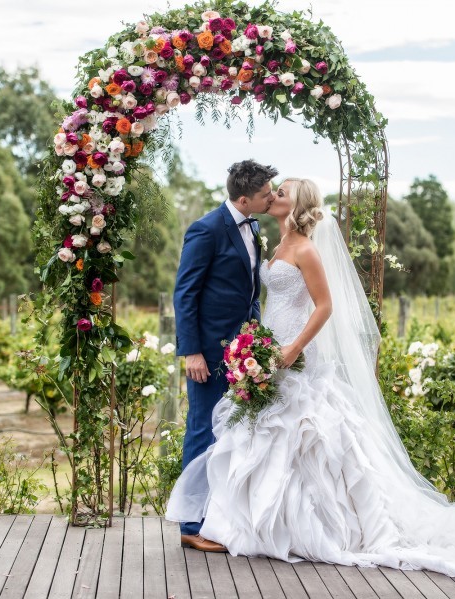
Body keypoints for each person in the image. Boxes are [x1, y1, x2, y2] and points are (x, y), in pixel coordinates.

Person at [167, 178, 455, 581]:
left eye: (281, 191)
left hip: (294, 350)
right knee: (258, 431)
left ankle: (307, 526)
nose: (272, 194)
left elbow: (324, 307)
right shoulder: (276, 244)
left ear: (294, 203)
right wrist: (257, 344)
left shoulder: (307, 250)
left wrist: (294, 347)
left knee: (306, 432)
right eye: (270, 190)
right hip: (269, 348)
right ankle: (242, 521)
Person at [172, 159, 277, 552]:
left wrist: (254, 337)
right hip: (208, 353)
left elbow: (249, 291)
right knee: (201, 429)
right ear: (245, 197)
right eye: (267, 193)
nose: (272, 197)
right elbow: (185, 294)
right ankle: (190, 525)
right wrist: (192, 352)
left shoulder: (255, 226)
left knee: (232, 434)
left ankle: (220, 518)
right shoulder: (206, 229)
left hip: (242, 353)